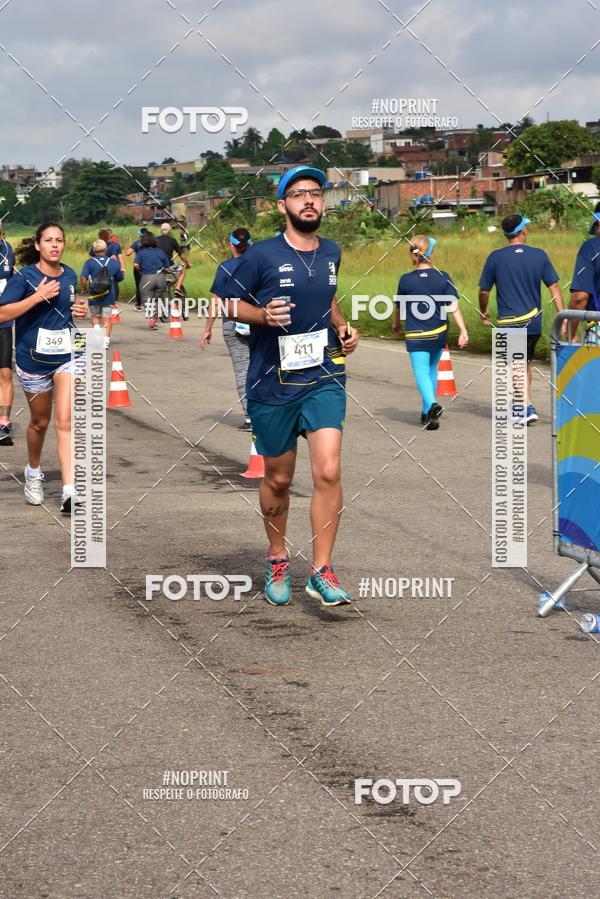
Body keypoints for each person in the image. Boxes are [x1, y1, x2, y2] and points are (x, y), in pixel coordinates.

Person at [224, 165, 358, 608]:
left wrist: (342, 326)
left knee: (328, 471)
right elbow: (226, 302)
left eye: (315, 192)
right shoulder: (260, 256)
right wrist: (261, 316)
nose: (309, 200)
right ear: (283, 205)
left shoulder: (332, 251)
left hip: (324, 375)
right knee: (278, 478)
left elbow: (327, 298)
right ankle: (278, 557)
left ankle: (321, 570)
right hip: (272, 383)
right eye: (299, 194)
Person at [0, 222, 88, 512]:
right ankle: (33, 472)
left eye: (59, 240)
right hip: (33, 362)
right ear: (38, 245)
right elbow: (3, 314)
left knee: (65, 420)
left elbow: (71, 311)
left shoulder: (71, 275)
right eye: (48, 240)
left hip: (68, 356)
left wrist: (82, 309)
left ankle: (69, 491)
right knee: (40, 423)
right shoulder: (24, 278)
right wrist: (37, 297)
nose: (55, 245)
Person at [479, 213, 564, 425]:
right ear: (522, 231)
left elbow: (484, 291)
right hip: (533, 322)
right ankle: (524, 404)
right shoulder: (539, 255)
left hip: (509, 322)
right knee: (524, 363)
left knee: (516, 364)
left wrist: (484, 310)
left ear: (506, 234)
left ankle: (526, 407)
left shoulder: (495, 257)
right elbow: (554, 287)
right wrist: (562, 316)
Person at [392, 235, 468, 429]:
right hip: (438, 332)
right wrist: (463, 330)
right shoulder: (443, 276)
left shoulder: (405, 280)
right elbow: (453, 305)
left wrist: (396, 324)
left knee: (422, 372)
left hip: (416, 334)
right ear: (431, 253)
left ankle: (432, 405)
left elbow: (399, 307)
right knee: (432, 371)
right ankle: (428, 415)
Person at [200, 227, 253, 430]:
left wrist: (207, 328)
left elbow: (216, 301)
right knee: (264, 368)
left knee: (242, 369)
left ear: (231, 245)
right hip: (260, 320)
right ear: (251, 244)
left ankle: (250, 417)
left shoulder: (225, 267)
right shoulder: (261, 265)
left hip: (233, 321)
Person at [80, 238, 124, 349]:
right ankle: (105, 341)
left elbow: (83, 277)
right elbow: (119, 278)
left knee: (95, 316)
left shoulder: (89, 262)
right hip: (109, 295)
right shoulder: (114, 263)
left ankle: (96, 329)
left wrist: (84, 288)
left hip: (94, 294)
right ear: (106, 249)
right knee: (107, 318)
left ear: (94, 250)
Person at [568, 212, 600, 343]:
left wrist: (570, 333)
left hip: (513, 323)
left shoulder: (590, 247)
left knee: (516, 355)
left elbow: (579, 298)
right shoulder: (539, 256)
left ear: (598, 225)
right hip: (526, 327)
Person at [133, 233, 171, 330]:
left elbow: (136, 265)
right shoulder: (160, 251)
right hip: (161, 278)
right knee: (156, 299)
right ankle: (156, 319)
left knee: (147, 300)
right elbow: (167, 268)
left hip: (147, 278)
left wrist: (140, 270)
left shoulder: (141, 252)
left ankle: (152, 317)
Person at [0, 226, 16, 446]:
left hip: (3, 320)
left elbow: (13, 277)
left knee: (5, 373)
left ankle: (3, 424)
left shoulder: (7, 249)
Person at [155, 222, 190, 304]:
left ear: (160, 231)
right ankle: (177, 288)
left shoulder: (154, 241)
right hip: (169, 267)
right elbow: (182, 256)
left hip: (157, 268)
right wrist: (188, 263)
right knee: (183, 268)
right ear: (170, 231)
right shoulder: (172, 240)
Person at [126, 227, 152, 311]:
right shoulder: (151, 243)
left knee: (139, 285)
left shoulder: (137, 243)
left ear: (140, 235)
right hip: (149, 266)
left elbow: (128, 253)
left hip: (138, 266)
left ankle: (138, 305)